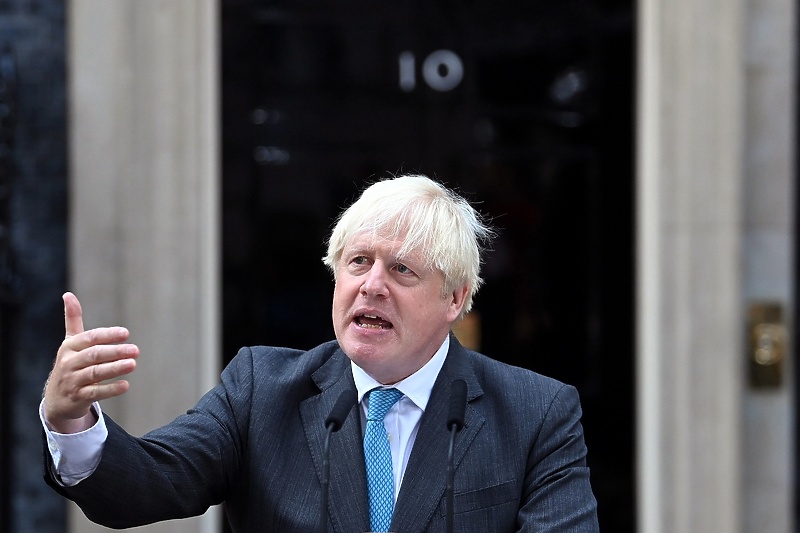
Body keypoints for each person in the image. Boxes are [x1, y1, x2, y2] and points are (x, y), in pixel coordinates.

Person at [41, 174, 599, 532]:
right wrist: (71, 419)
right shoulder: (261, 390)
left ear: (454, 298)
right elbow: (142, 486)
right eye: (358, 262)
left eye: (401, 269)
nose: (372, 285)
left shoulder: (537, 414)